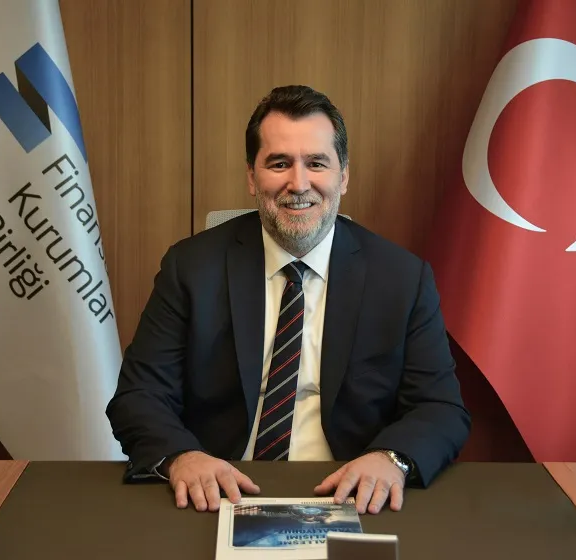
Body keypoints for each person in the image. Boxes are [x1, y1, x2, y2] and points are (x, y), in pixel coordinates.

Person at [105, 85, 471, 516]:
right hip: (220, 491)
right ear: (251, 177)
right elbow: (139, 395)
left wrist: (390, 458)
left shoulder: (402, 278)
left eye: (316, 163)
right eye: (279, 164)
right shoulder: (191, 268)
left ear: (343, 175)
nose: (299, 184)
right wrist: (183, 457)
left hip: (351, 494)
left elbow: (440, 407)